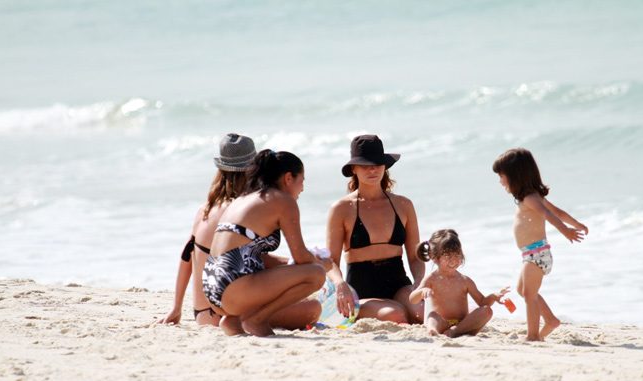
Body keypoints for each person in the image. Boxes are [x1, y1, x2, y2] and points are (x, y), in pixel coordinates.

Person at [157, 134, 321, 332]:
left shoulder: (205, 209)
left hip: (202, 311)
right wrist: (301, 264)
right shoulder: (246, 207)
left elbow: (187, 255)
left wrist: (176, 308)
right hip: (225, 309)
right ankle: (250, 319)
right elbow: (254, 262)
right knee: (313, 307)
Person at [203, 149, 328, 337]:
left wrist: (290, 264)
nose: (302, 188)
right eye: (301, 181)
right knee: (316, 274)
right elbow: (301, 256)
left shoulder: (246, 197)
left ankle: (234, 318)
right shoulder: (283, 201)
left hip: (213, 287)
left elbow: (250, 255)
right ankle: (256, 319)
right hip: (233, 287)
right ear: (288, 178)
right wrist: (322, 264)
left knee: (300, 269)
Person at [493, 148, 588, 341]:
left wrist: (567, 231)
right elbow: (558, 212)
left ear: (515, 176)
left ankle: (533, 335)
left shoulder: (530, 198)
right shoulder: (531, 197)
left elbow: (550, 215)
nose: (500, 181)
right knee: (524, 291)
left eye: (502, 176)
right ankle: (551, 320)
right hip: (532, 254)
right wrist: (575, 223)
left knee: (529, 295)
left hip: (536, 254)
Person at [326, 135, 424, 324]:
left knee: (421, 311)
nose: (372, 169)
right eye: (365, 165)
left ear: (384, 166)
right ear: (353, 168)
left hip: (399, 284)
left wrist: (419, 282)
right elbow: (330, 261)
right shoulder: (341, 208)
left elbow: (415, 256)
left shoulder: (403, 204)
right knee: (395, 315)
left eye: (377, 164)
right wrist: (340, 284)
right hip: (361, 288)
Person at [409, 229, 509, 337]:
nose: (453, 260)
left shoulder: (464, 281)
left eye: (457, 255)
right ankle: (434, 330)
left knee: (487, 311)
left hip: (464, 325)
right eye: (448, 256)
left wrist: (493, 297)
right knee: (433, 316)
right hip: (442, 323)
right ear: (434, 257)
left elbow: (482, 302)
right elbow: (412, 299)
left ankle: (455, 331)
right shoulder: (432, 279)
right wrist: (422, 291)